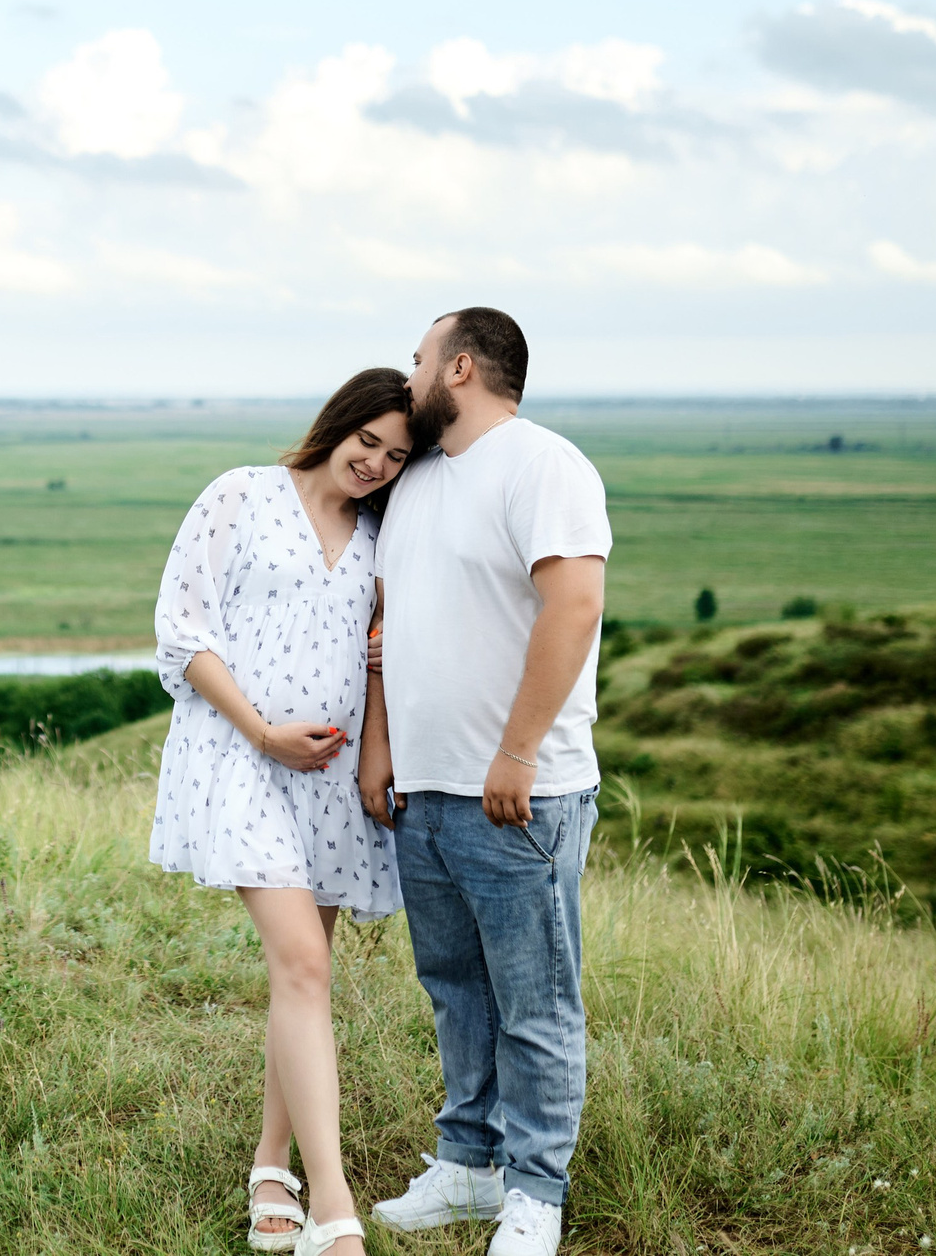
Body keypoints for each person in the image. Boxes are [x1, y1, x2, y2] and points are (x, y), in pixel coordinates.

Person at [358, 309, 609, 1256]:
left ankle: (536, 1193)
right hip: (425, 791)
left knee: (535, 1000)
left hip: (521, 794)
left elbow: (574, 603)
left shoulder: (545, 465)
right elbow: (393, 622)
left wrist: (518, 753)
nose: (409, 370)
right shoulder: (417, 478)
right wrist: (382, 748)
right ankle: (468, 1164)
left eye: (421, 357)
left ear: (459, 367)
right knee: (457, 988)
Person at [151, 368, 417, 1256]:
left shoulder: (383, 535)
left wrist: (373, 755)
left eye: (396, 455)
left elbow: (380, 658)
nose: (375, 463)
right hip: (240, 757)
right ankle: (334, 1215)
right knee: (303, 961)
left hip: (332, 782)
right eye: (367, 441)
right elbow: (184, 630)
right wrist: (263, 731)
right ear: (336, 423)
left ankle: (273, 1164)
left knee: (300, 978)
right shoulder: (240, 494)